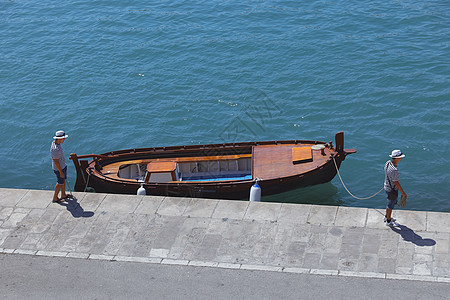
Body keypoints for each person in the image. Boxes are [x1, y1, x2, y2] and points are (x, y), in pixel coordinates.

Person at [384, 149, 407, 226]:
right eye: (400, 157)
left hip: (386, 186)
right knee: (390, 205)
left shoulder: (388, 163)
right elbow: (396, 182)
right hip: (391, 190)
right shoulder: (394, 170)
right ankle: (388, 221)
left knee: (389, 203)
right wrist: (403, 193)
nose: (401, 158)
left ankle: (387, 216)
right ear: (397, 158)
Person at [51, 130, 71, 203]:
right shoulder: (55, 149)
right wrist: (60, 172)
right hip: (59, 168)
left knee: (63, 181)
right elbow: (56, 161)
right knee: (60, 182)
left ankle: (63, 194)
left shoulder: (57, 144)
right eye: (63, 138)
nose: (64, 139)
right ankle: (55, 198)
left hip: (62, 166)